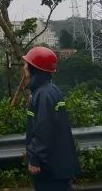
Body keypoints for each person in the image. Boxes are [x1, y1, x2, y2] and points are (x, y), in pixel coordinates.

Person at [23, 46, 79, 191]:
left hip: (49, 168)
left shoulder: (43, 95)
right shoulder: (51, 91)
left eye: (26, 63)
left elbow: (43, 129)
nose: (24, 66)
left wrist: (35, 158)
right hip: (57, 165)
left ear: (34, 68)